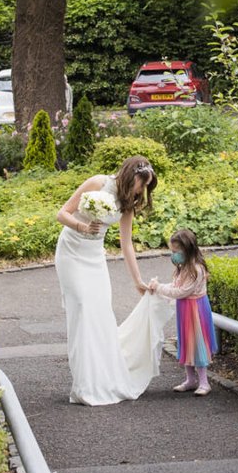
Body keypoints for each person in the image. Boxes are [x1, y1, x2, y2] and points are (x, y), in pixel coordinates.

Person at [54, 155, 168, 405]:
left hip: (95, 257)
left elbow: (126, 244)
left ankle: (102, 377)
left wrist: (137, 279)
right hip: (71, 252)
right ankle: (84, 384)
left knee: (103, 311)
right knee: (82, 310)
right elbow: (62, 214)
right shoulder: (98, 183)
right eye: (141, 183)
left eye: (146, 187)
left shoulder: (128, 202)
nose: (142, 190)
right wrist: (81, 227)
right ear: (131, 175)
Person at [149, 228, 218, 396]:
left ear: (187, 249)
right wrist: (159, 288)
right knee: (186, 342)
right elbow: (175, 287)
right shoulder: (183, 266)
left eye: (176, 251)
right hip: (185, 309)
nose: (174, 255)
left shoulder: (197, 269)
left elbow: (182, 292)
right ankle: (190, 379)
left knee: (198, 343)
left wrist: (159, 287)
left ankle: (204, 382)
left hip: (196, 309)